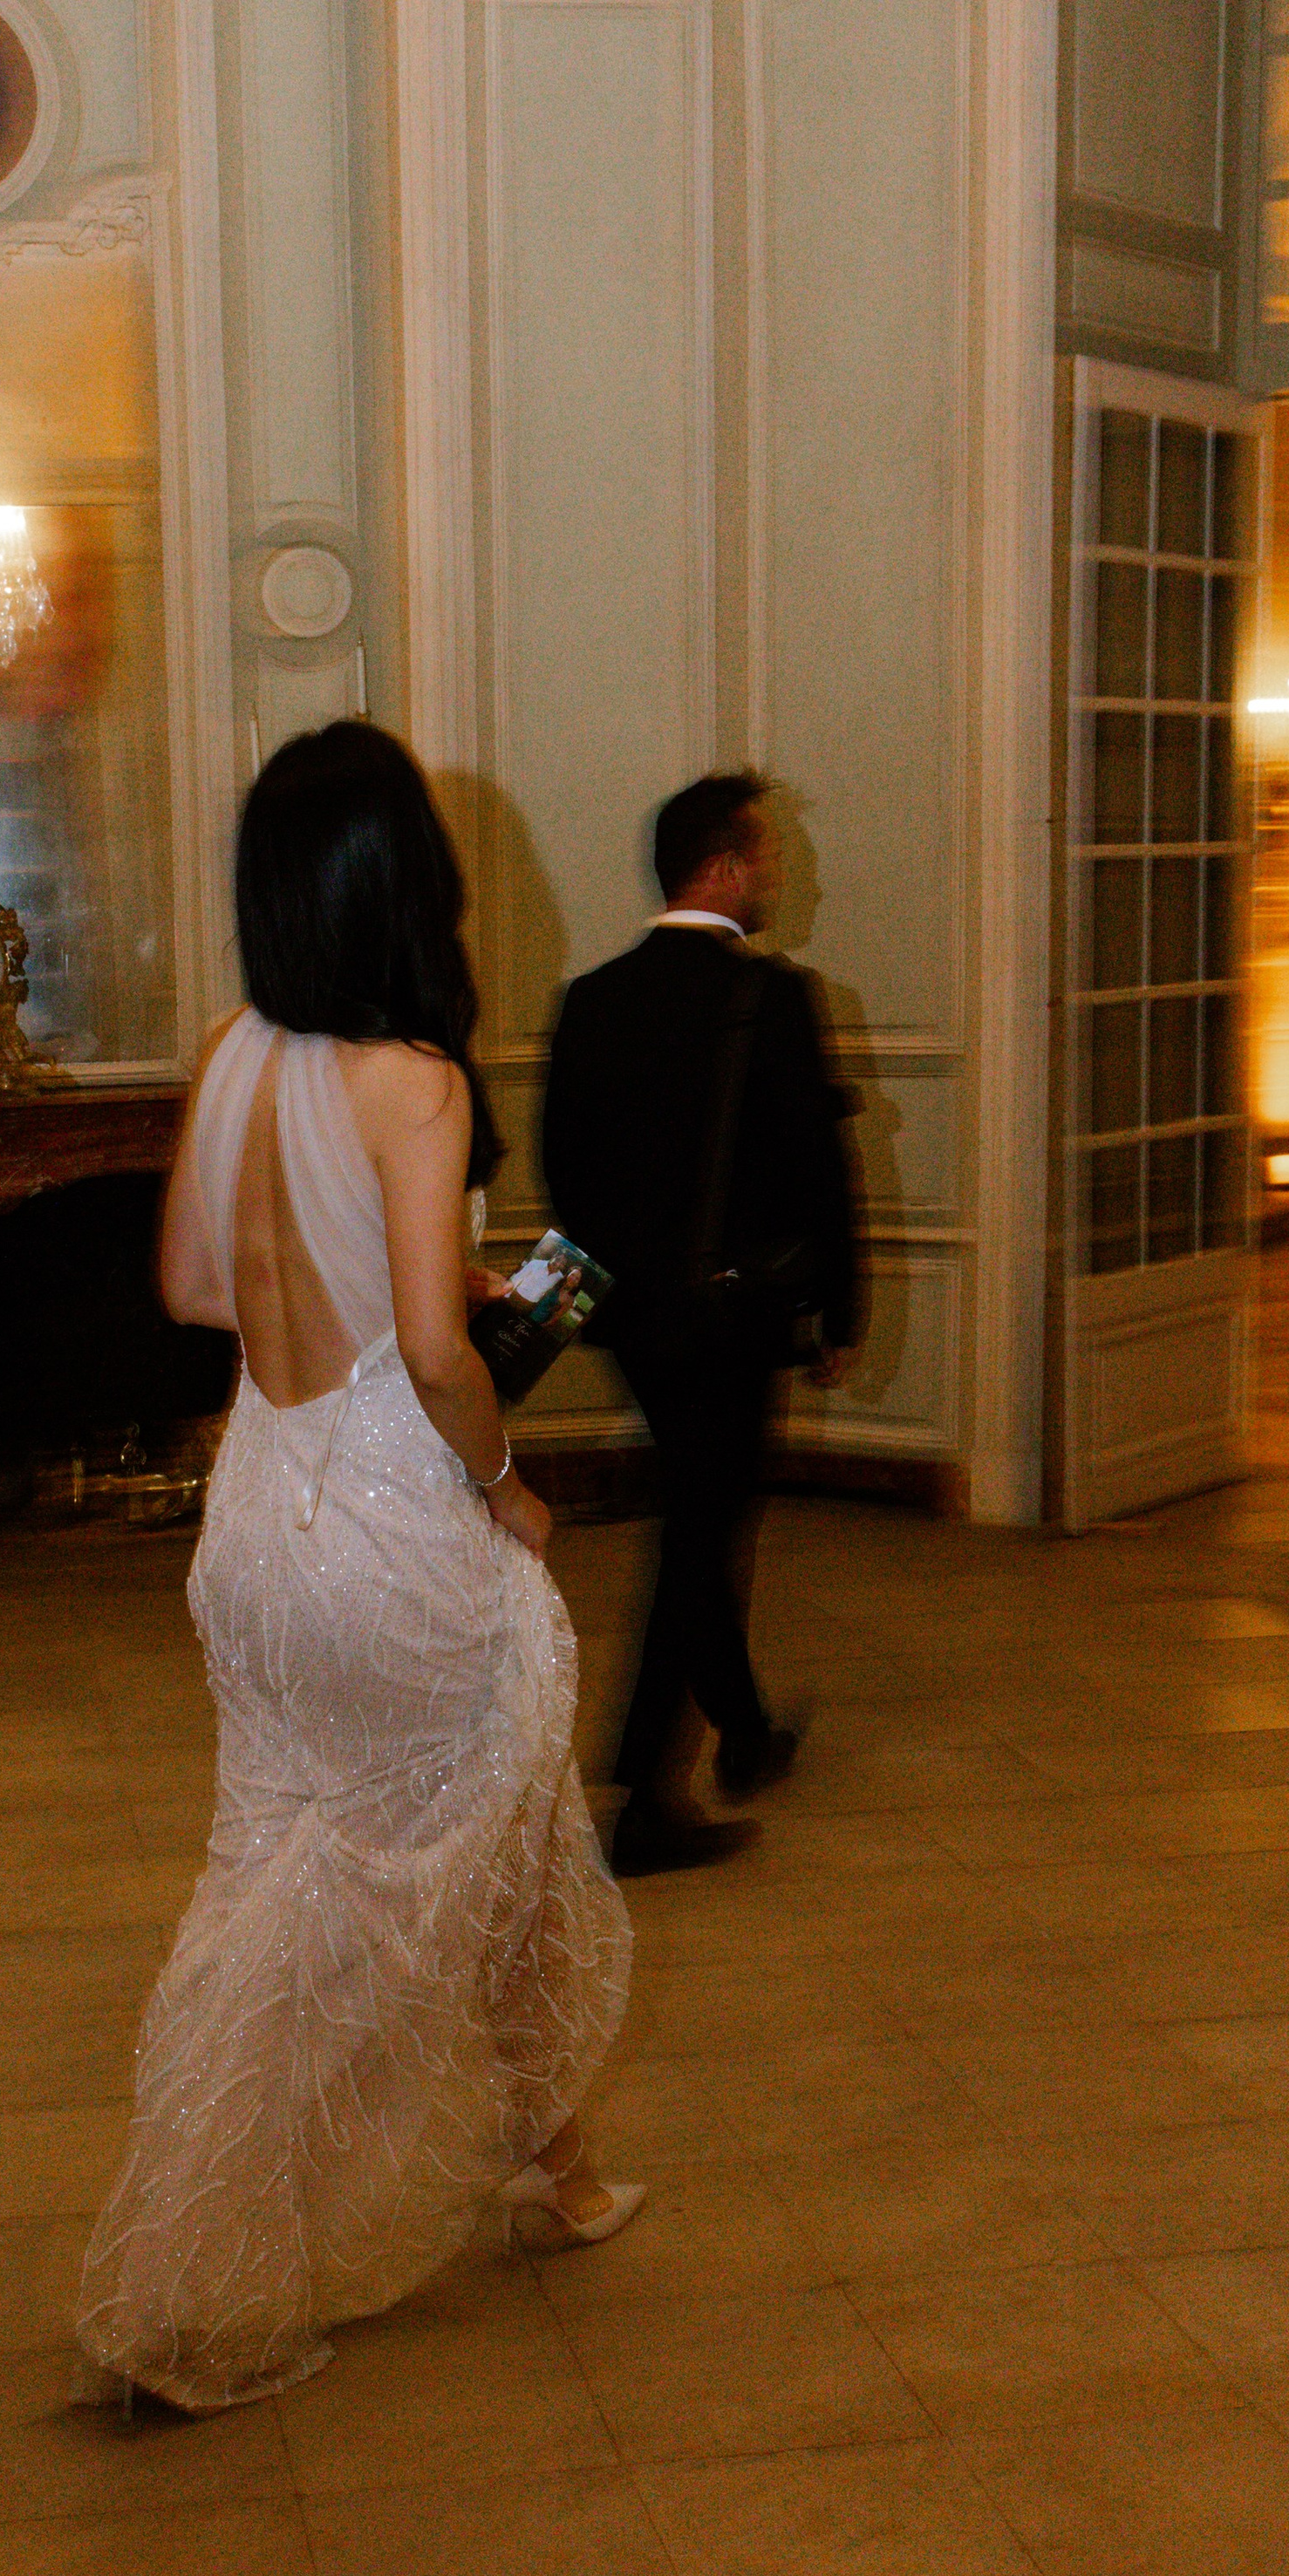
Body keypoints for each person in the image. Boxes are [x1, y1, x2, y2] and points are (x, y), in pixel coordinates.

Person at [73, 723, 637, 2416]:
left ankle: (557, 2164)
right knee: (476, 1816)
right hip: (391, 1517)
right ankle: (209, 2262)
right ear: (408, 891)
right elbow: (428, 1350)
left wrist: (382, 1284)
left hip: (253, 1523)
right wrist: (504, 1484)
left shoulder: (232, 1052)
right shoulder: (414, 1080)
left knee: (302, 1856)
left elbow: (187, 1285)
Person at [542, 768, 860, 1879]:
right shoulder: (767, 999)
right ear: (722, 868)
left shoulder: (591, 998)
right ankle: (638, 1792)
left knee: (698, 1510)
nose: (776, 873)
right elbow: (821, 1176)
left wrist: (630, 1287)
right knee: (699, 1538)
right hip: (732, 1318)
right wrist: (837, 1311)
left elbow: (564, 1176)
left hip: (637, 1321)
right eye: (766, 855)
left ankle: (752, 1731)